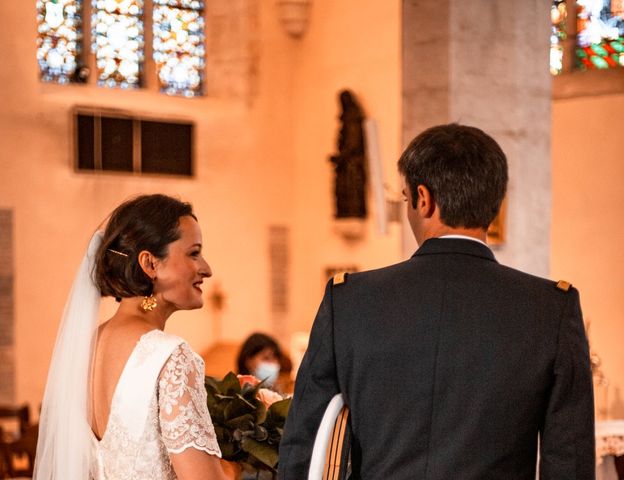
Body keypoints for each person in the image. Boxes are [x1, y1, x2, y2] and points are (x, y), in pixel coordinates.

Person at [278, 124, 595, 479]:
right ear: (495, 203)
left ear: (423, 199)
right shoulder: (550, 308)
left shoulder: (351, 301)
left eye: (405, 198)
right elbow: (570, 461)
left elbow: (304, 444)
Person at [33, 194, 239, 480]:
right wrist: (239, 466)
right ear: (150, 264)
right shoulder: (170, 356)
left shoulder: (86, 348)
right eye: (193, 253)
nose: (206, 268)